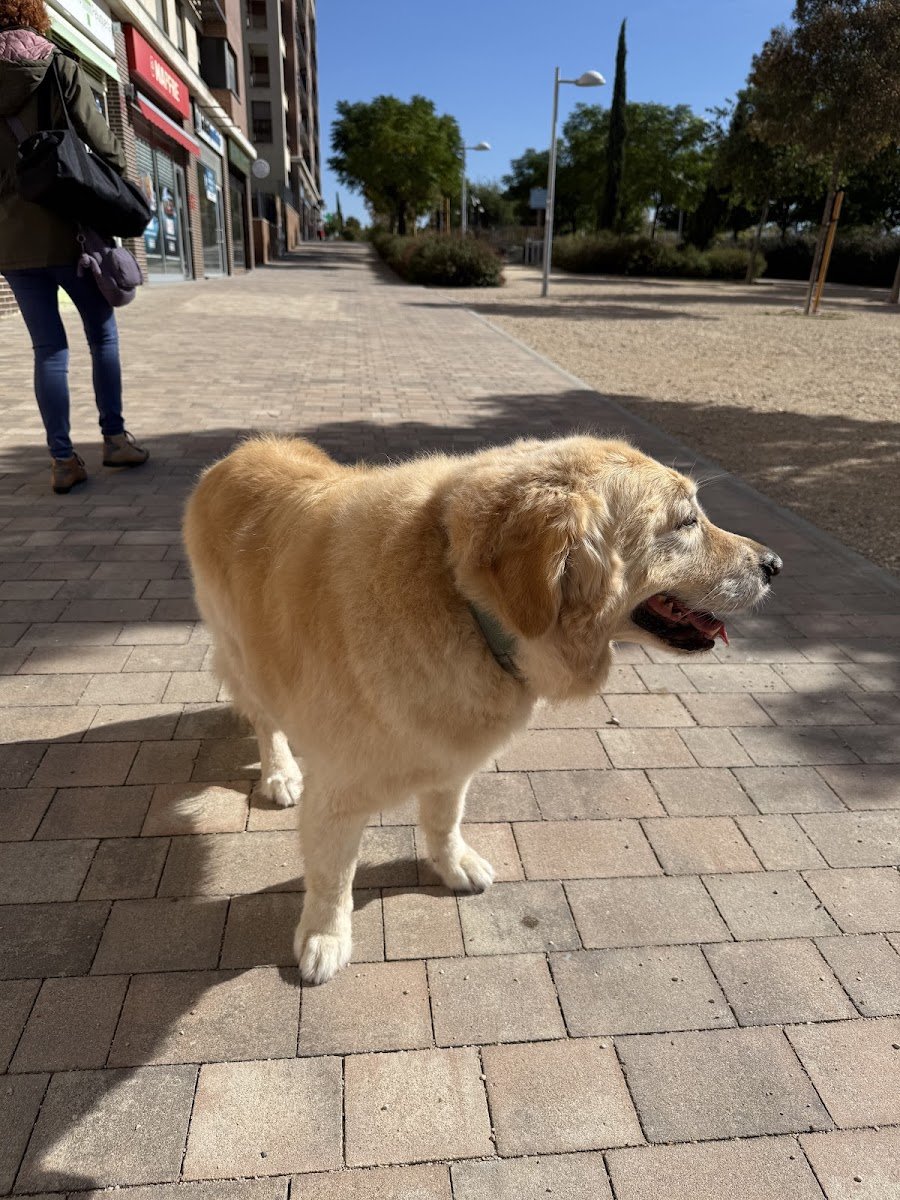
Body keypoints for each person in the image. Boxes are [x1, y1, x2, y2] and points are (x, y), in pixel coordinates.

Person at [0, 0, 148, 494]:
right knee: (101, 334)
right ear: (32, 15)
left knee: (48, 350)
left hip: (12, 239)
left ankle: (63, 460)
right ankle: (115, 440)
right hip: (70, 230)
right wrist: (117, 185)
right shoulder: (59, 66)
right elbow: (103, 144)